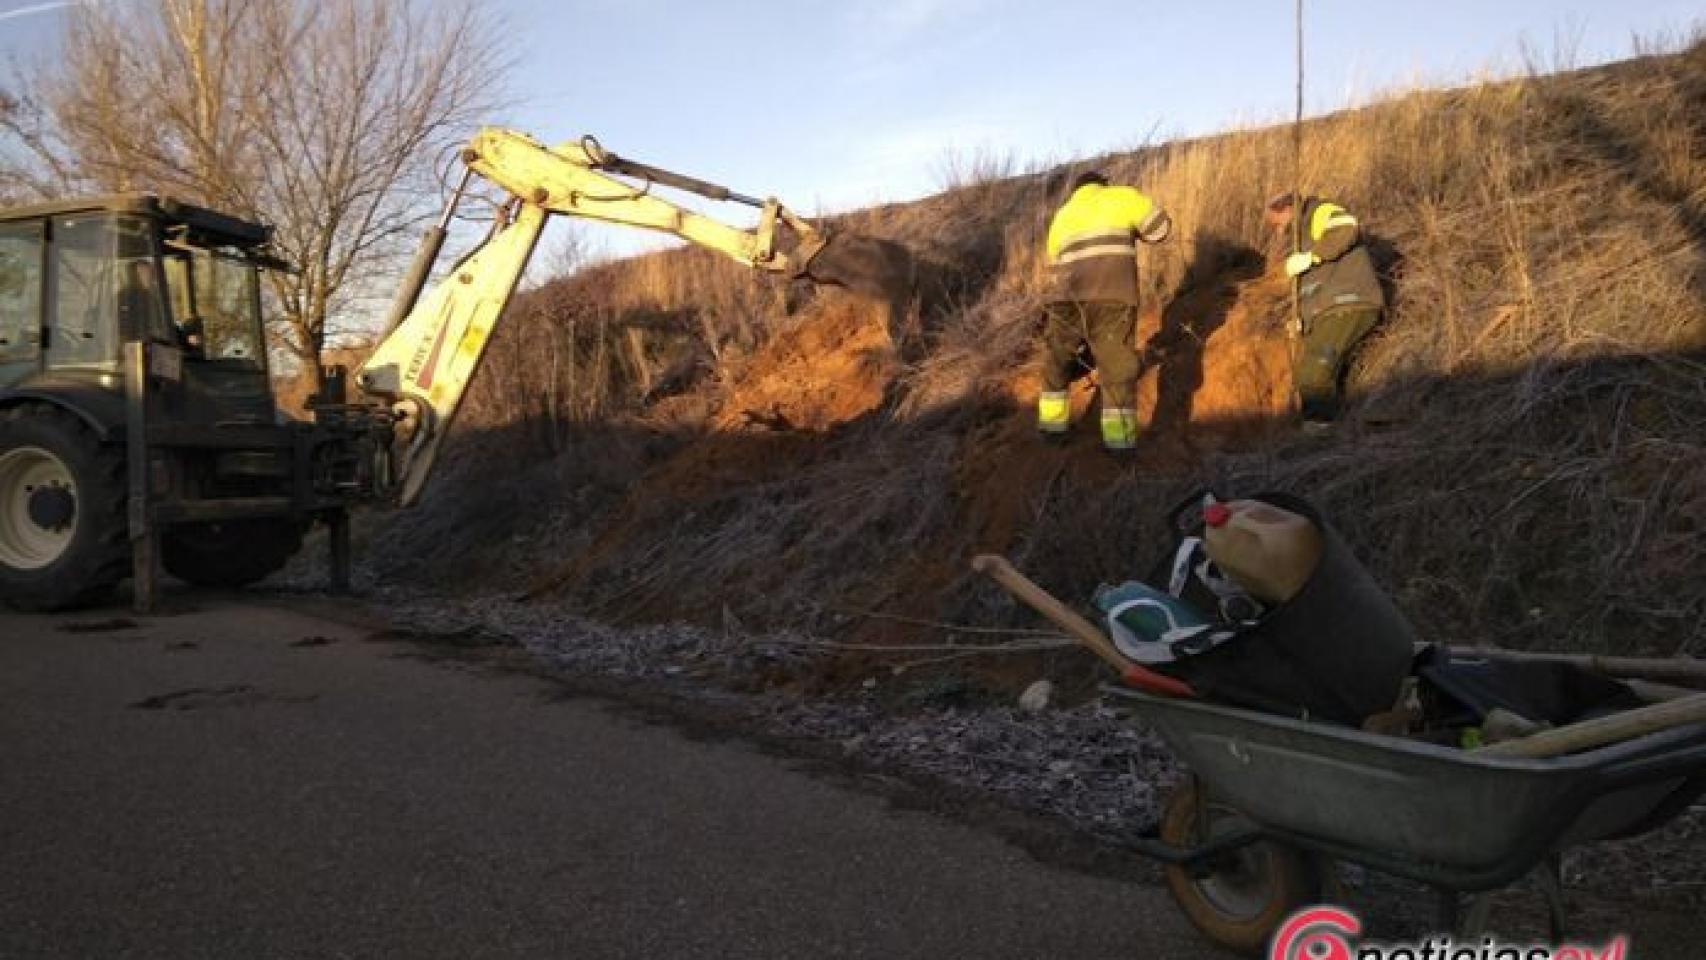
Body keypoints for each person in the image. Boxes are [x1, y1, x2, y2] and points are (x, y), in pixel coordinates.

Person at [1036, 170, 1172, 451]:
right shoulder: (1121, 196)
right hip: (1112, 296)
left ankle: (1052, 430)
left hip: (1065, 301)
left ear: (1076, 191)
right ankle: (1119, 444)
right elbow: (1160, 229)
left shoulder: (1062, 215)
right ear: (1103, 185)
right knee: (1116, 368)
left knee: (1057, 361)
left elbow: (1054, 258)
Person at [1266, 192, 1385, 424]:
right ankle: (1345, 429)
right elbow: (1314, 288)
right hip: (1331, 309)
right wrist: (1300, 319)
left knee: (1312, 374)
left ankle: (1318, 436)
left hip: (1348, 302)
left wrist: (1311, 257)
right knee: (1332, 375)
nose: (1279, 231)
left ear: (1287, 209)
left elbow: (1347, 227)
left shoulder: (1318, 213)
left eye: (1277, 223)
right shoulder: (1301, 239)